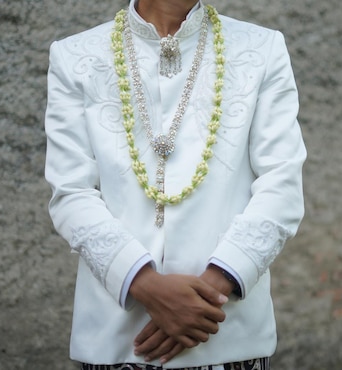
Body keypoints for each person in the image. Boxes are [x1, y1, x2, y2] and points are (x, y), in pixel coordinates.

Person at [44, 0, 306, 369]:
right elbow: (71, 193)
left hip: (226, 334)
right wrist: (144, 283)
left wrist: (209, 292)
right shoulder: (75, 56)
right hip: (119, 337)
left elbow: (282, 185)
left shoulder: (261, 49)